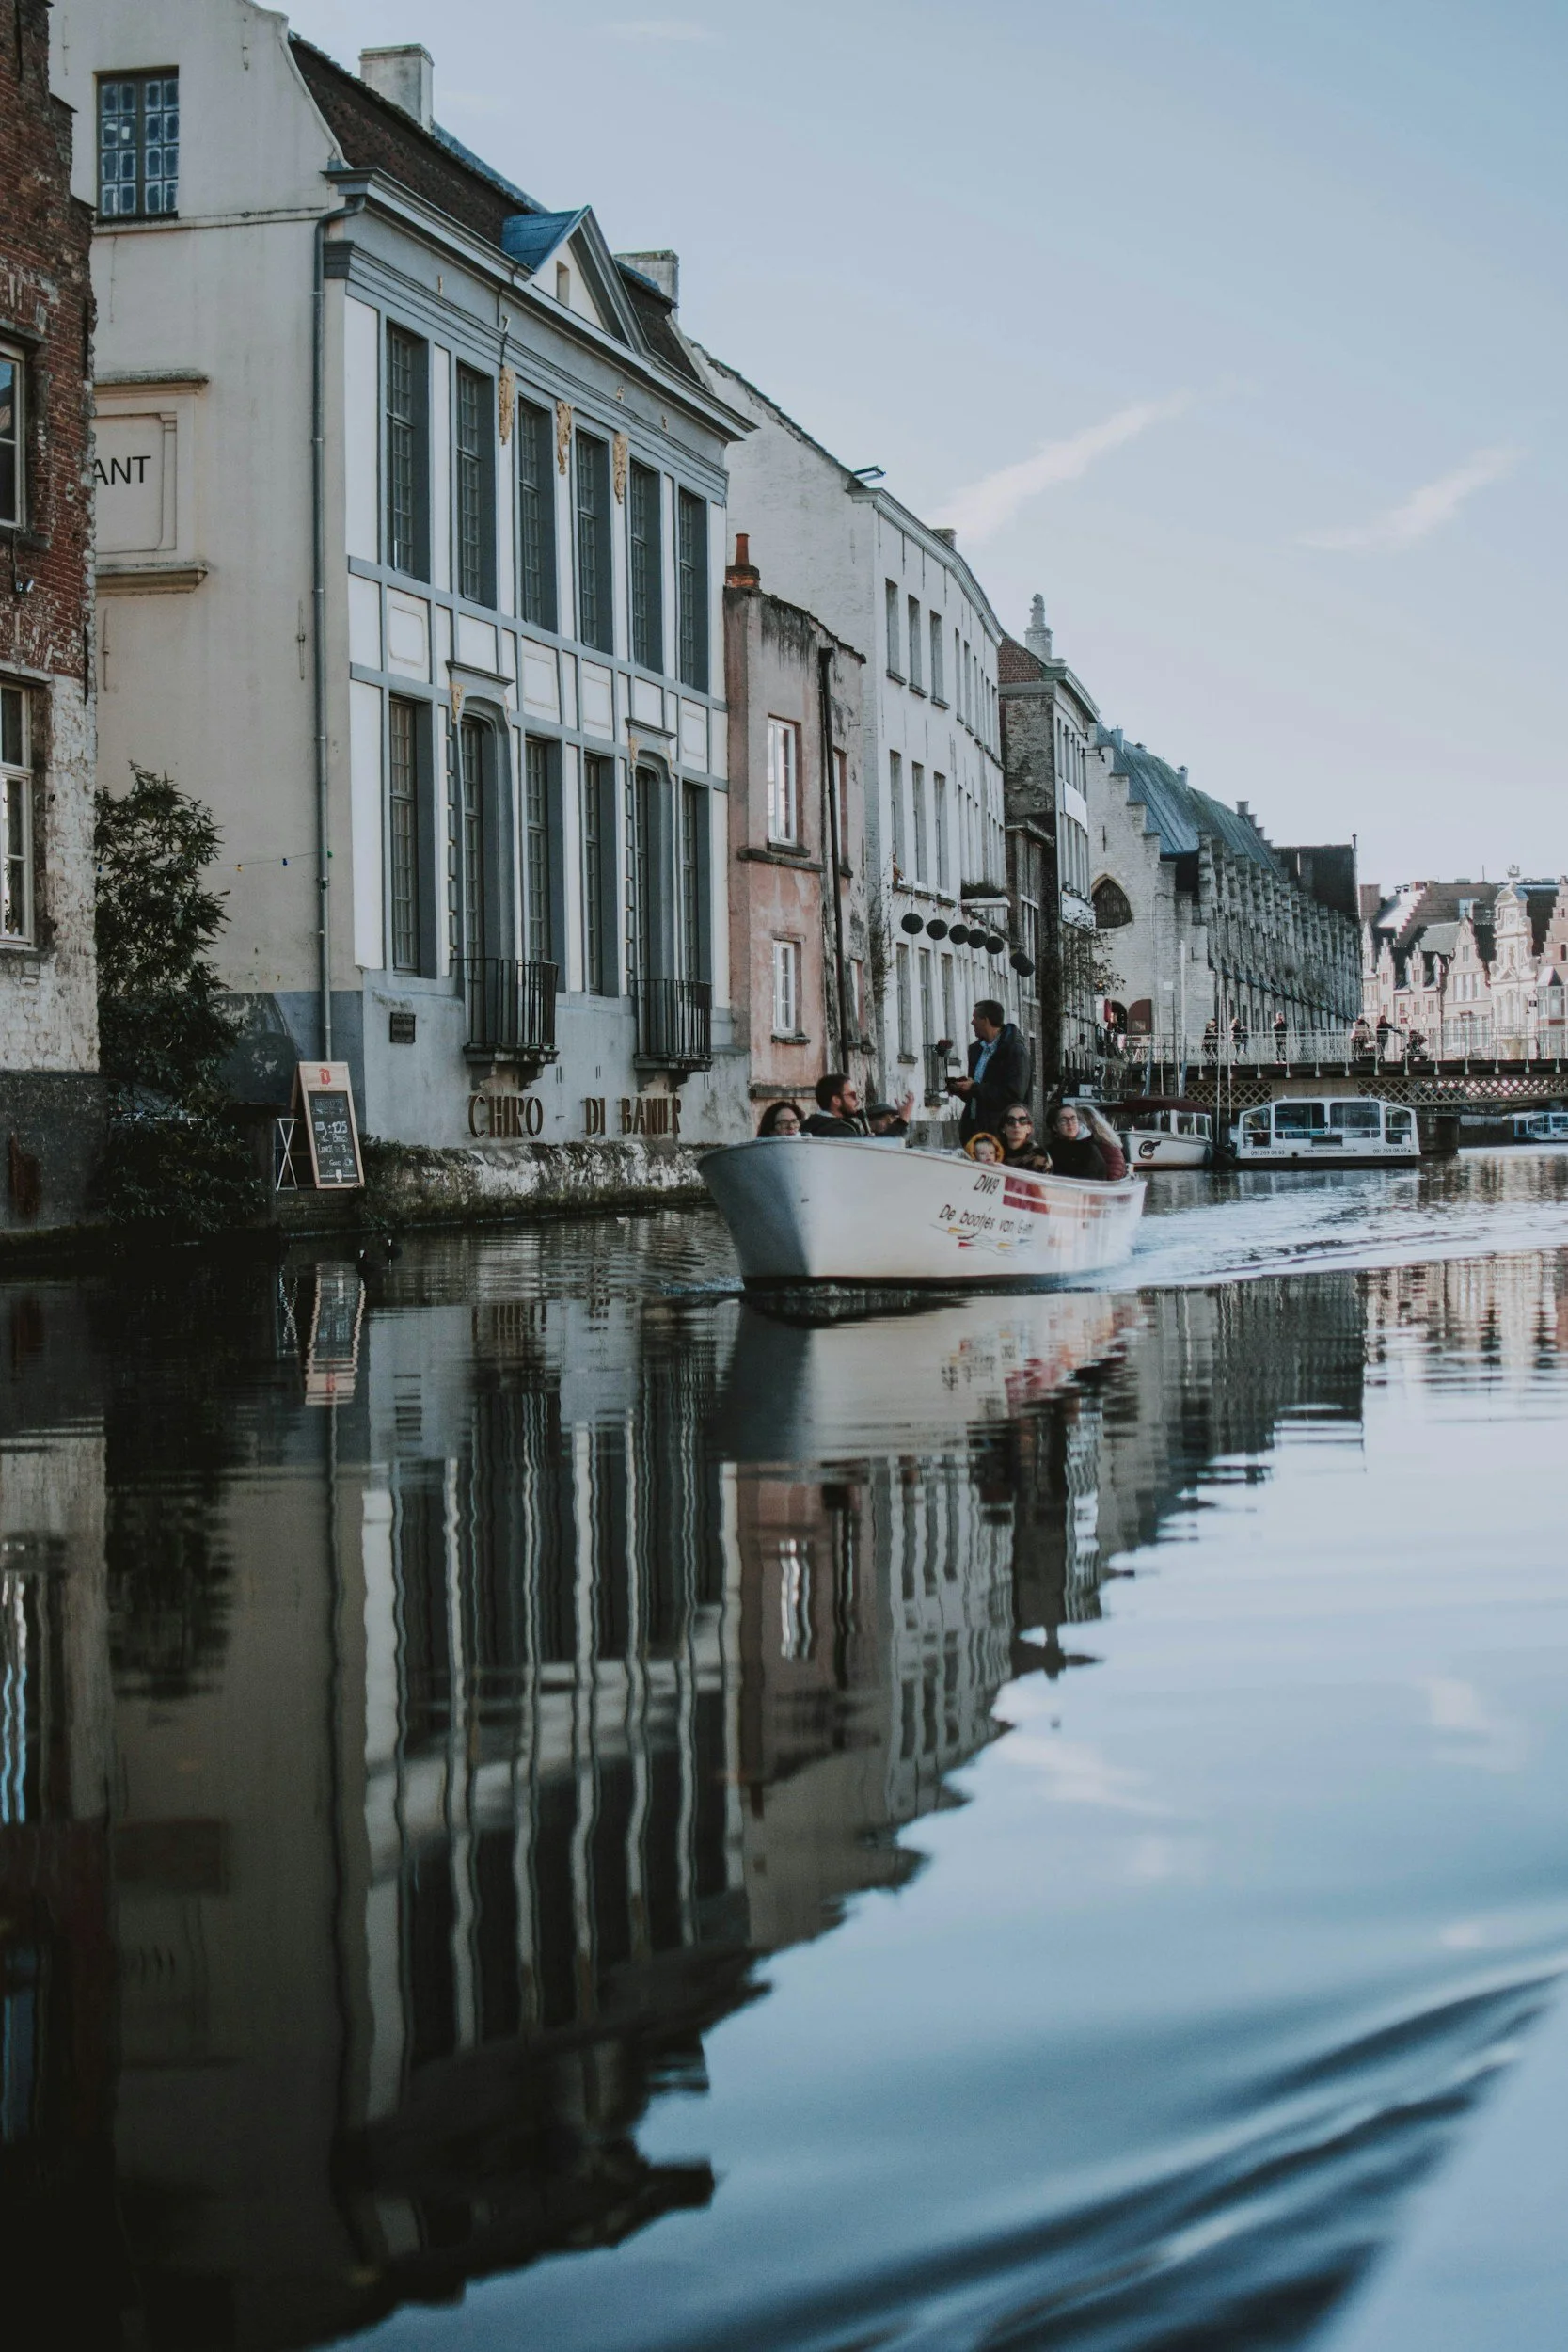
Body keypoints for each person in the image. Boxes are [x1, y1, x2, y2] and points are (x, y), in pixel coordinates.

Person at [945, 999, 1033, 1142]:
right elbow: (979, 1095)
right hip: (974, 1130)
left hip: (1001, 1133)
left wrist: (974, 1087)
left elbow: (1014, 1094)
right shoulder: (976, 1050)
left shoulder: (1015, 1051)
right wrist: (961, 1089)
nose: (972, 1022)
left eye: (975, 1018)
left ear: (985, 1020)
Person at [1045, 1100, 1128, 1181]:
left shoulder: (1089, 1149)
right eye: (1063, 1120)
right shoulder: (1047, 1152)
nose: (1070, 1123)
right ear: (1054, 1127)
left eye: (1073, 1118)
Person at [801, 1072, 869, 1138]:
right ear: (836, 1100)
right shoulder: (842, 1132)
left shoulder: (808, 1124)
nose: (857, 1101)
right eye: (853, 1095)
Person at [999, 1104, 1051, 1170]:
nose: (1016, 1125)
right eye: (1010, 1120)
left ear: (1029, 1128)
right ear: (1003, 1128)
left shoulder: (1039, 1154)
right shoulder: (993, 1152)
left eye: (1022, 1120)